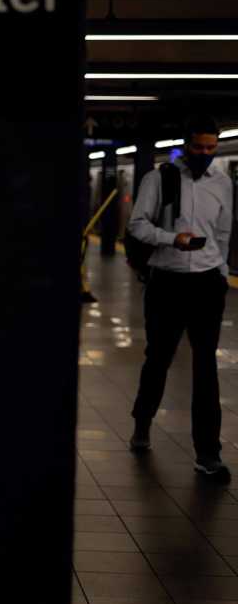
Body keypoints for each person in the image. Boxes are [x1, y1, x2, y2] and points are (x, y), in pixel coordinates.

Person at [127, 114, 232, 480]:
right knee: (158, 358)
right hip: (167, 282)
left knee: (206, 367)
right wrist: (174, 239)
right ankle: (142, 423)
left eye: (211, 148)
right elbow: (137, 225)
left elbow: (223, 232)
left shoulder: (222, 183)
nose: (204, 153)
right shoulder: (160, 178)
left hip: (207, 283)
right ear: (185, 145)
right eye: (198, 147)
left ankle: (208, 454)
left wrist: (220, 272)